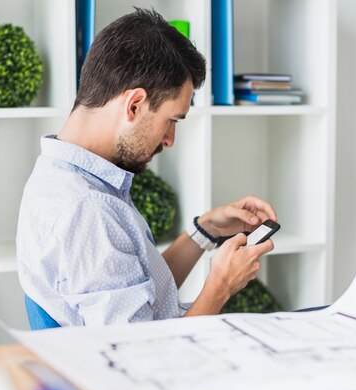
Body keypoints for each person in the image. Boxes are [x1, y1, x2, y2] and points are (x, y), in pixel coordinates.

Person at [17, 8, 277, 326]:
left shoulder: (63, 175)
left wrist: (206, 230)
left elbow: (138, 288)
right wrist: (220, 287)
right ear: (135, 104)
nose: (170, 140)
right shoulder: (89, 211)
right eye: (171, 120)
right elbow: (142, 356)